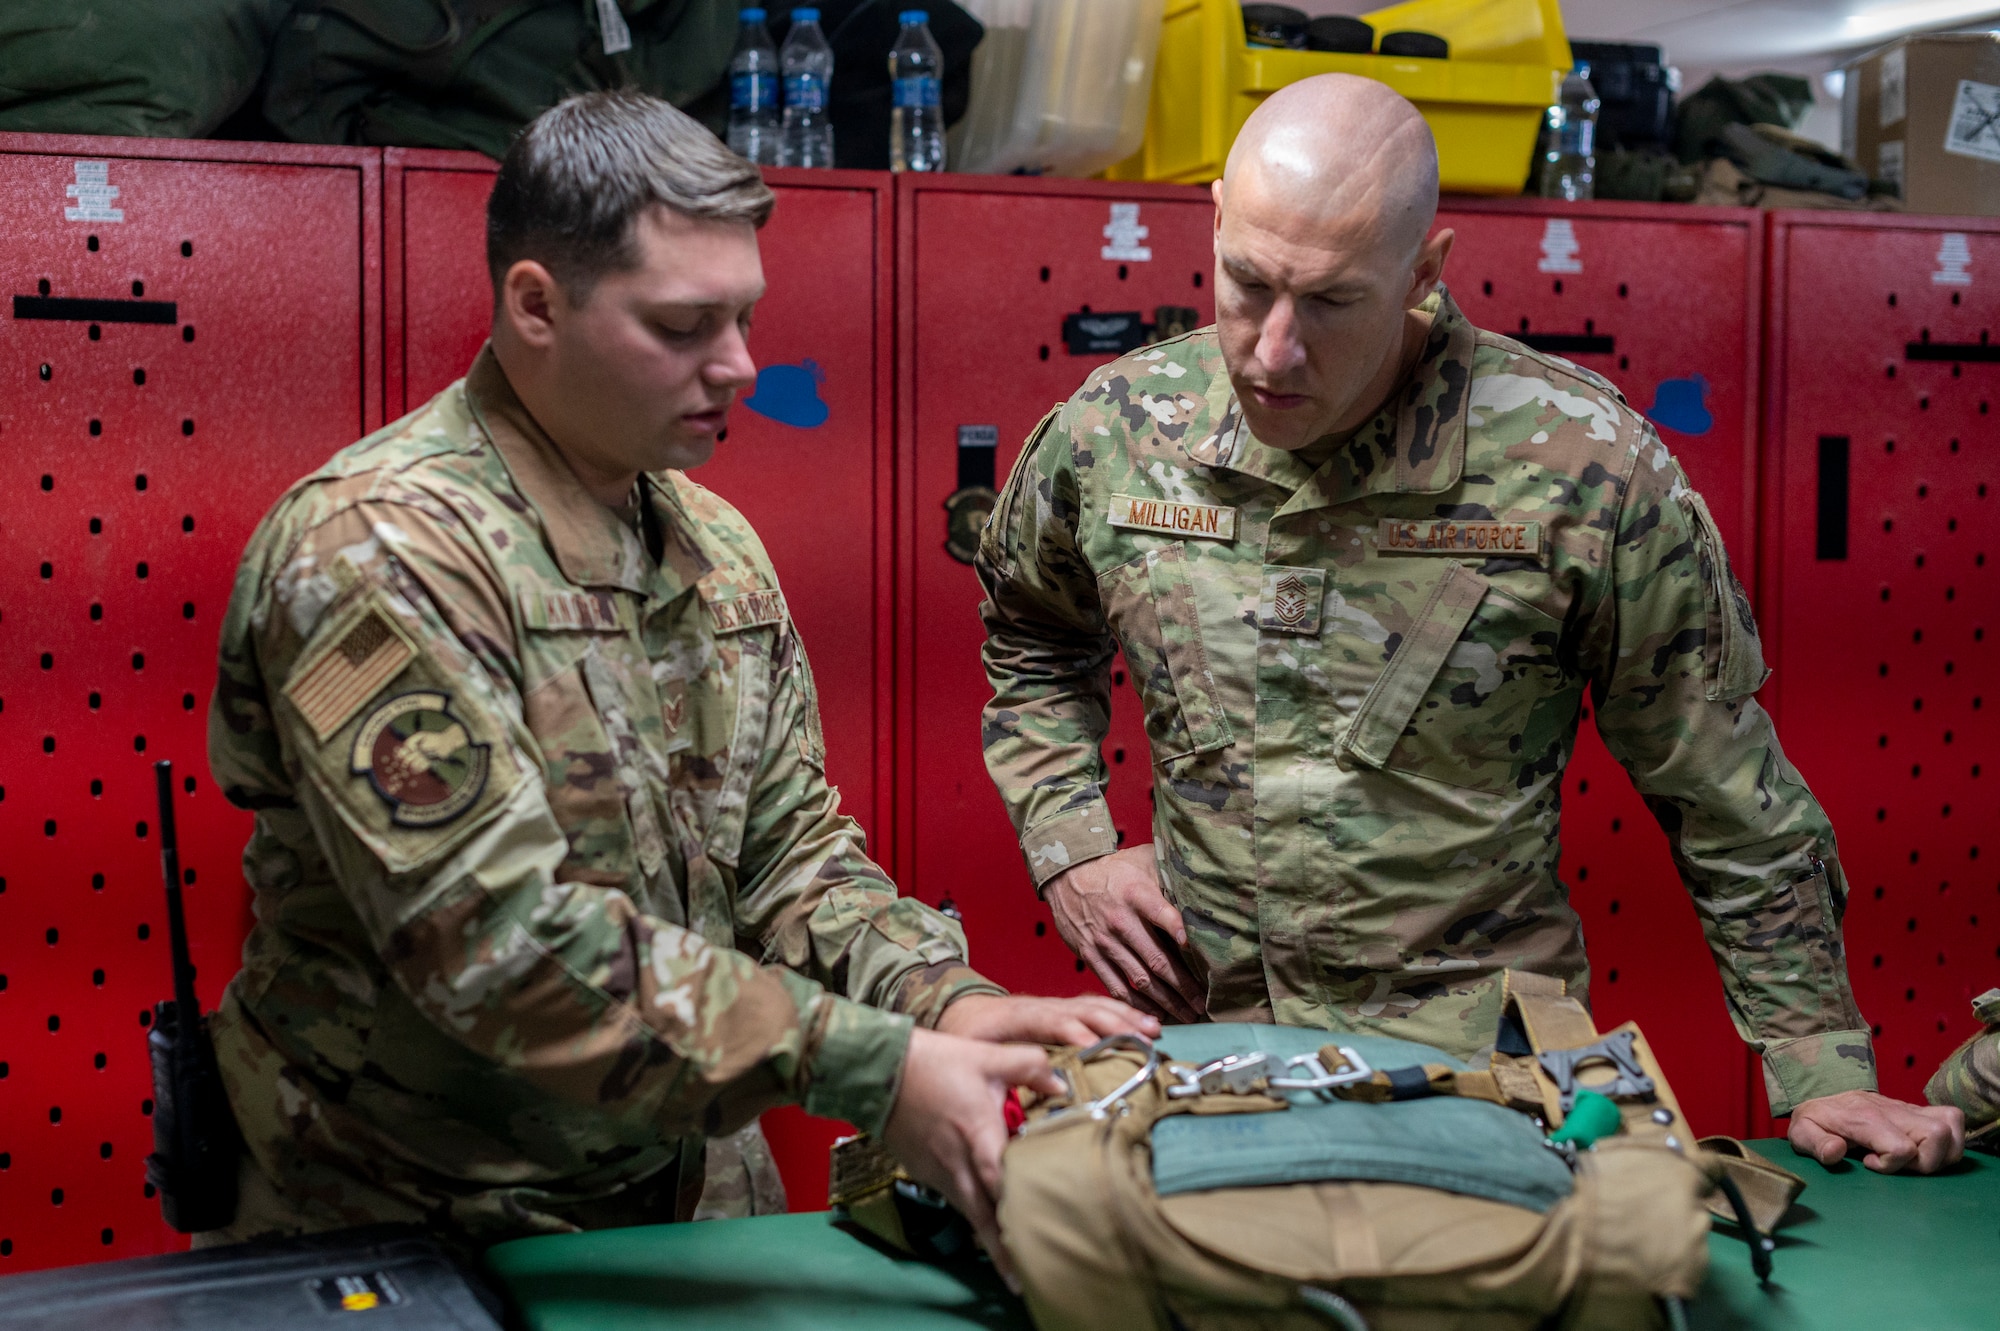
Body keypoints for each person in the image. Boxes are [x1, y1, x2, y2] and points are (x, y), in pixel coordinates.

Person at [204, 89, 1150, 1265]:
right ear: (535, 305)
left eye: (743, 317)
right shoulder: (379, 551)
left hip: (678, 1197)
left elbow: (787, 852)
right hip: (412, 1213)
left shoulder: (712, 546)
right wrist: (875, 1063)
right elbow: (498, 943)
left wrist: (942, 1000)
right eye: (682, 325)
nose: (740, 365)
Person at [975, 74, 1963, 1174]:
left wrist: (1820, 1067)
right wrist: (1071, 845)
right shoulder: (1115, 432)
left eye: (1335, 301)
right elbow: (1030, 632)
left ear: (1424, 273)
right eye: (1247, 284)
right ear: (1212, 221)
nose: (1271, 349)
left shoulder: (1576, 468)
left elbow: (1725, 792)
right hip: (1207, 1059)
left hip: (1476, 1074)